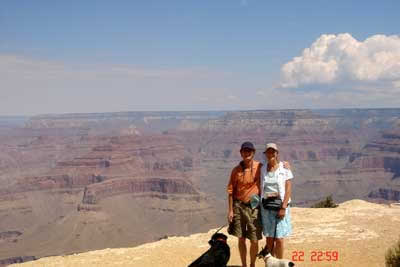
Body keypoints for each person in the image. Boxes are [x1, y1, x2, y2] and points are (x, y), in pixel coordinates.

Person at [227, 141, 262, 267]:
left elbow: (273, 166)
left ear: (253, 153)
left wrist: (285, 165)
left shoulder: (259, 167)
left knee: (254, 239)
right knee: (241, 238)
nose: (247, 153)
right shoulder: (235, 171)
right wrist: (230, 210)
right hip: (239, 206)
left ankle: (252, 264)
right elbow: (230, 191)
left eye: (249, 151)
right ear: (241, 153)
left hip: (254, 207)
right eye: (244, 151)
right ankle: (244, 265)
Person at [260, 143, 293, 259]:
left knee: (279, 239)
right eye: (268, 152)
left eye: (273, 152)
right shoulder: (262, 168)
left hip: (280, 207)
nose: (270, 154)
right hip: (266, 207)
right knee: (269, 239)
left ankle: (279, 263)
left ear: (277, 153)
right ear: (265, 154)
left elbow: (288, 188)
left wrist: (284, 207)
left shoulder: (284, 168)